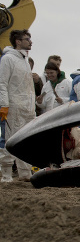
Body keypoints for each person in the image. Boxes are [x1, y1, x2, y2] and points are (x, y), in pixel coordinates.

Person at [0, 30, 36, 181]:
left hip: (27, 108)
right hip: (13, 106)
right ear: (18, 41)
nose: (30, 41)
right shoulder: (7, 59)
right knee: (10, 140)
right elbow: (2, 83)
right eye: (27, 39)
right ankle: (6, 175)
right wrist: (4, 104)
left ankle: (25, 173)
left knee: (26, 141)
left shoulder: (25, 61)